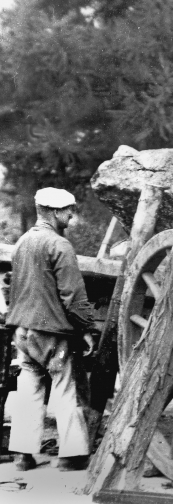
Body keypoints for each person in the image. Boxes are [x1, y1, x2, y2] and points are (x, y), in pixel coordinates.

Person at [6, 187, 96, 471]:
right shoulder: (59, 245)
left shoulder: (22, 242)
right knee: (65, 387)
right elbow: (73, 295)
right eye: (69, 210)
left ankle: (23, 455)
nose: (71, 215)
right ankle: (72, 455)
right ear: (55, 212)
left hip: (22, 331)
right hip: (51, 333)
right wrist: (86, 328)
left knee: (29, 389)